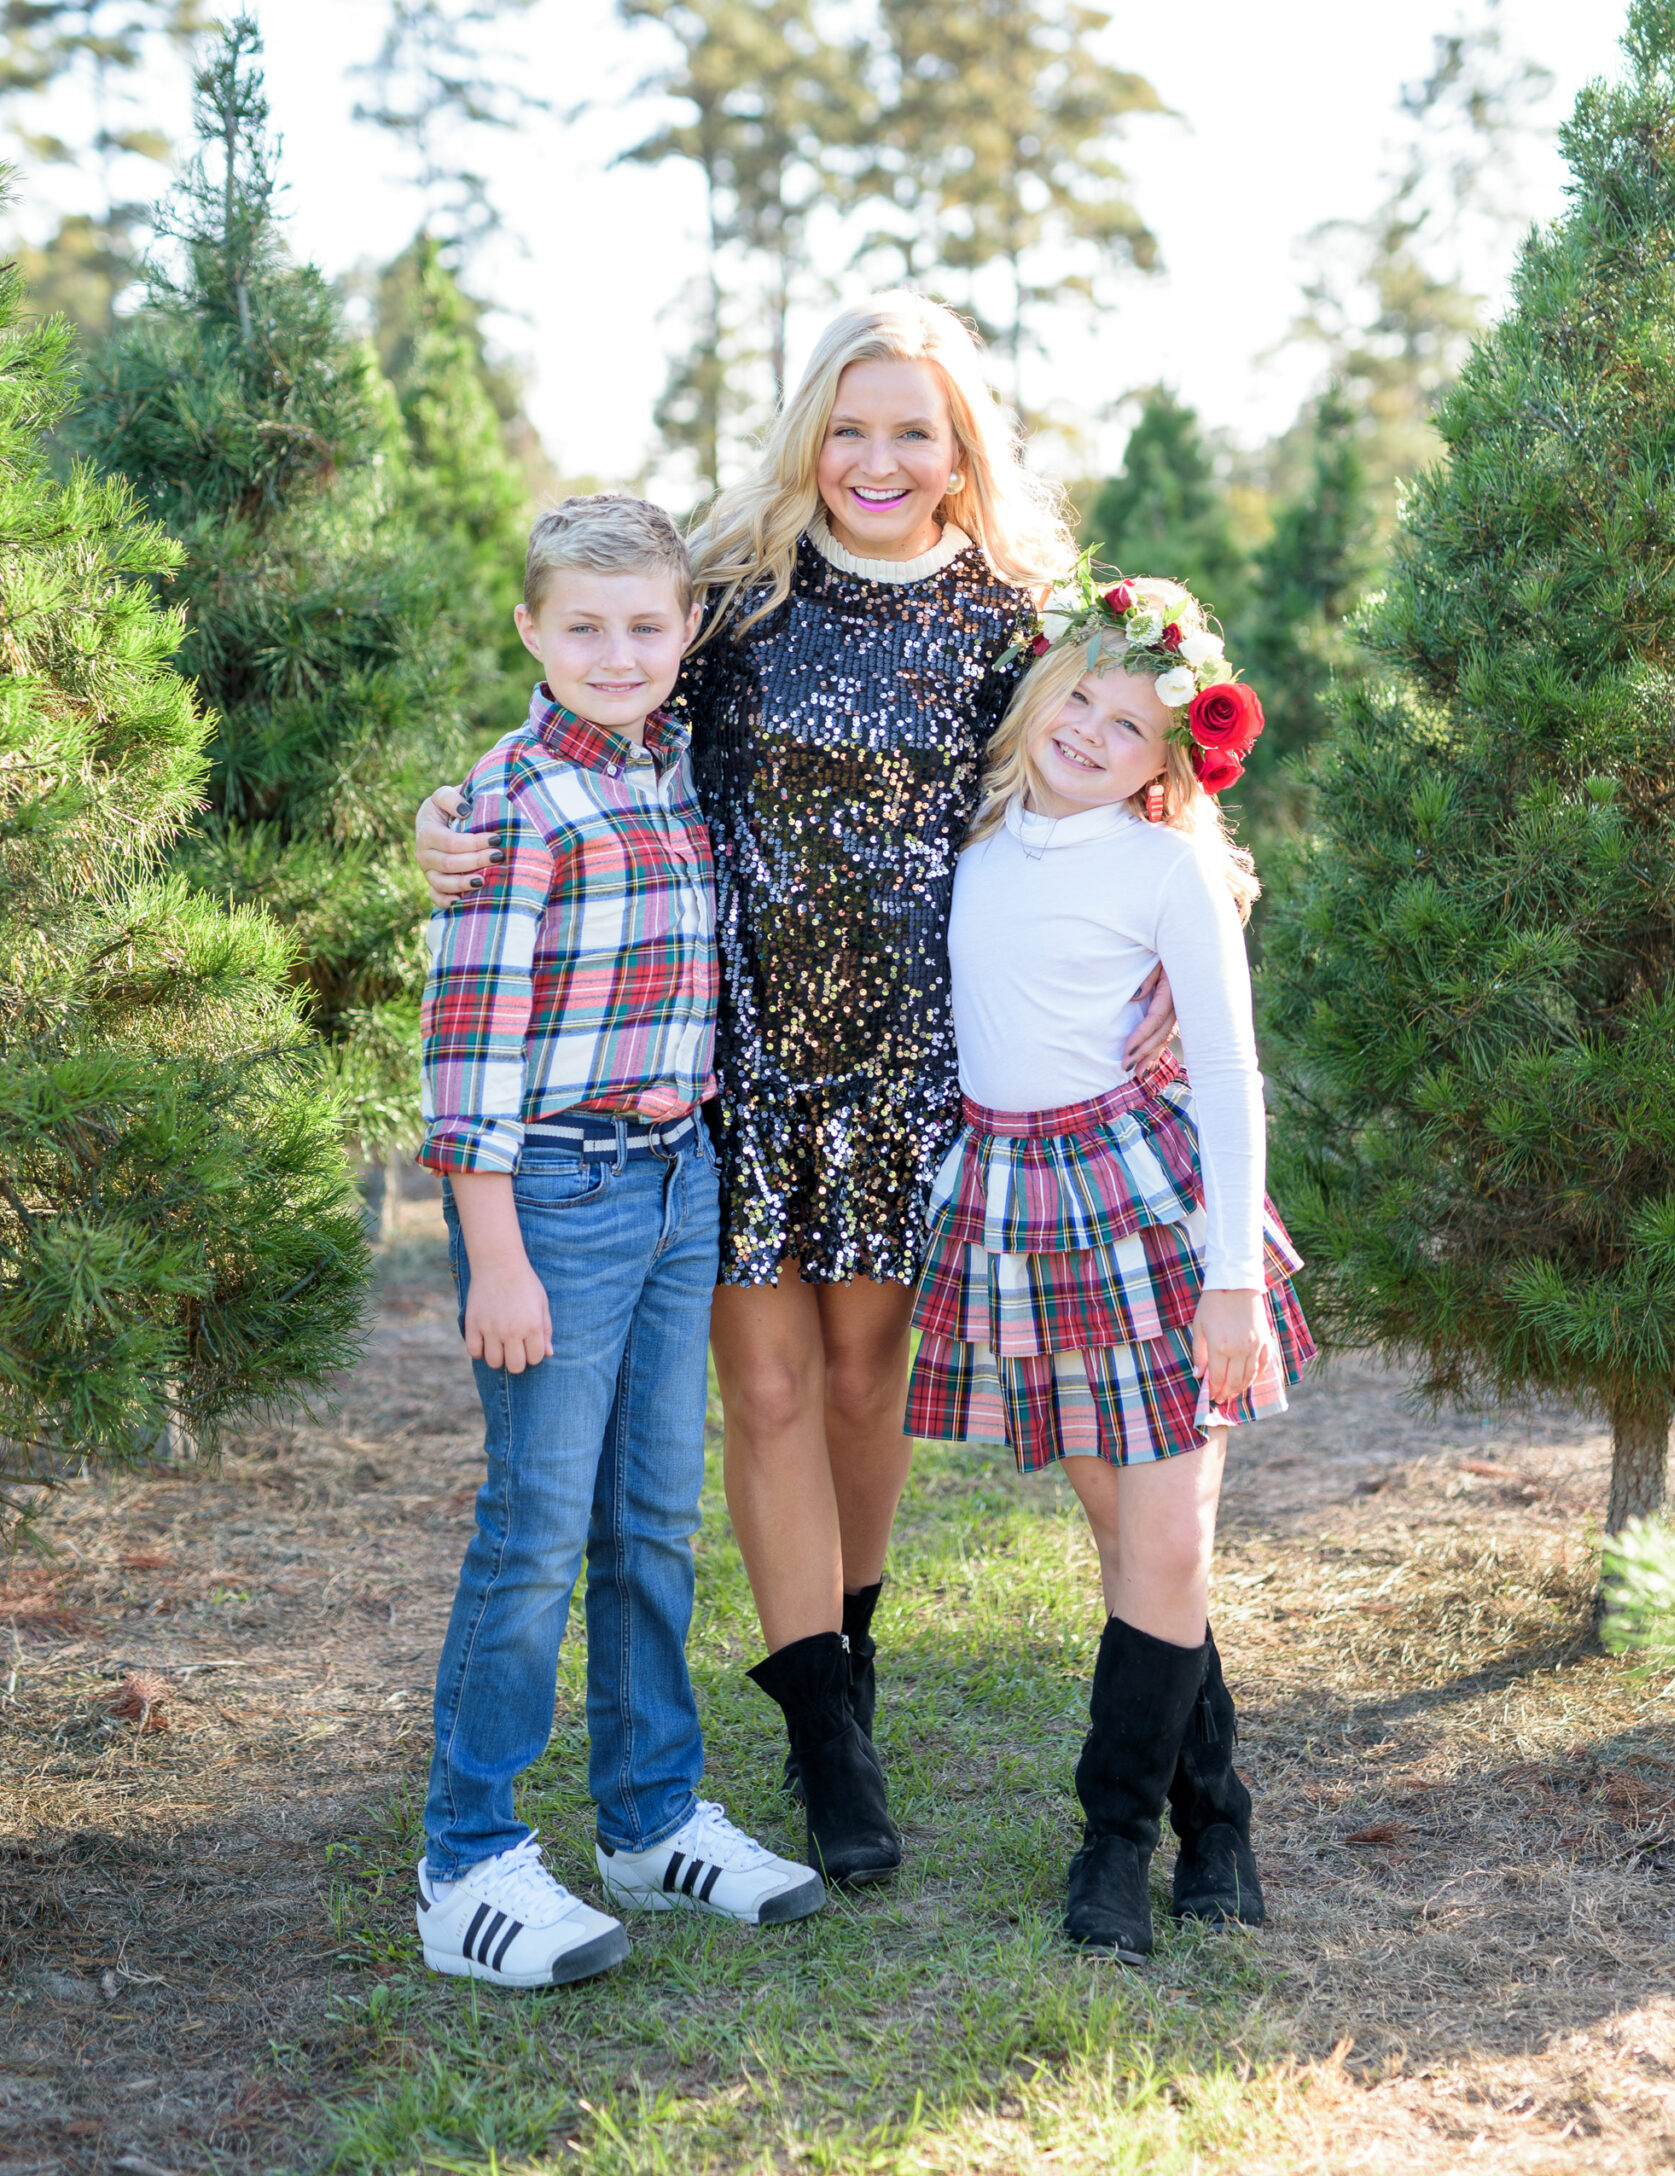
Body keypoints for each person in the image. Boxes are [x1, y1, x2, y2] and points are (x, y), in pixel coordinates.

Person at [419, 296, 1177, 1886]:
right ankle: (822, 1741)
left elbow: (1113, 783)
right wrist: (451, 818)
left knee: (857, 1387)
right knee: (759, 1395)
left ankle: (859, 1665)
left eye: (914, 430)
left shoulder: (1010, 618)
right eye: (849, 427)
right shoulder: (736, 598)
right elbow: (592, 711)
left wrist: (1193, 921)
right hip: (744, 1059)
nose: (877, 460)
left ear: (960, 448)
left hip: (916, 1063)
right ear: (806, 436)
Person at [414, 495, 823, 1993]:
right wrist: (497, 1252)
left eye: (644, 624)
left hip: (677, 1179)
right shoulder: (510, 805)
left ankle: (650, 1818)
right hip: (556, 1194)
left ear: (685, 633)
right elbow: (466, 1050)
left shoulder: (677, 770)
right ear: (528, 628)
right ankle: (466, 1861)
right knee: (531, 1530)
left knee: (651, 1517)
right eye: (580, 625)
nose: (614, 650)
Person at [904, 567, 1315, 1962]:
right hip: (1022, 1201)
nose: (1088, 730)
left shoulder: (1167, 867)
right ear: (1037, 694)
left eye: (1128, 725)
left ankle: (1112, 1848)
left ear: (1164, 765)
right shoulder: (966, 845)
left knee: (1167, 1536)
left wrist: (1230, 1280)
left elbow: (1228, 1072)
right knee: (1133, 1544)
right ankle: (1221, 1813)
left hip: (1150, 1206)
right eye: (1076, 697)